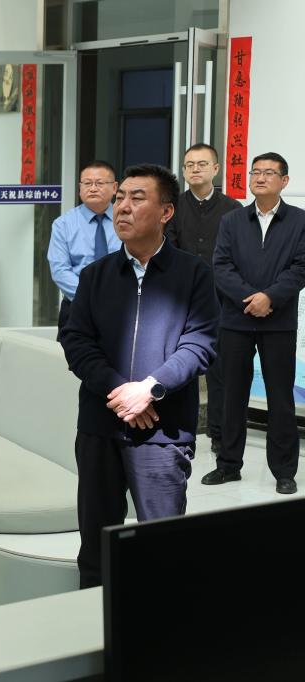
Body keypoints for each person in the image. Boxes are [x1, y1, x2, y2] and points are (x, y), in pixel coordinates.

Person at [60, 164, 218, 588]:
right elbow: (76, 341)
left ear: (166, 212)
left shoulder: (193, 274)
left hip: (162, 433)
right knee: (96, 546)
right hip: (100, 427)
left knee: (161, 545)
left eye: (137, 198)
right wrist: (121, 391)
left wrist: (150, 389)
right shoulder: (95, 276)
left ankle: (159, 626)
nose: (123, 207)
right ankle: (95, 622)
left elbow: (200, 344)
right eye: (120, 198)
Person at [203, 152, 305, 494]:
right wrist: (251, 298)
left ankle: (284, 471)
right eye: (255, 172)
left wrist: (270, 298)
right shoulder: (232, 220)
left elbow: (301, 267)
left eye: (268, 173)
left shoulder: (300, 221)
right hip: (236, 319)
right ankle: (228, 465)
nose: (260, 178)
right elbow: (221, 266)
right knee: (232, 394)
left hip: (279, 322)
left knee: (280, 397)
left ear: (284, 181)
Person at [166, 143, 242, 454]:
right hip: (179, 302)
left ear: (216, 169)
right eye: (189, 165)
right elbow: (167, 250)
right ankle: (176, 429)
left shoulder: (233, 209)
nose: (195, 169)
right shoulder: (171, 207)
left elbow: (239, 256)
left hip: (221, 303)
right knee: (177, 367)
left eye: (202, 164)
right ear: (183, 171)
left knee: (219, 372)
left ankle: (219, 434)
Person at [47, 160, 121, 337]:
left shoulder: (127, 220)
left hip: (121, 306)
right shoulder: (63, 224)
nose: (93, 188)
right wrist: (91, 298)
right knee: (74, 354)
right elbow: (60, 270)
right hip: (77, 307)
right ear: (80, 188)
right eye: (87, 183)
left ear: (114, 187)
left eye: (100, 183)